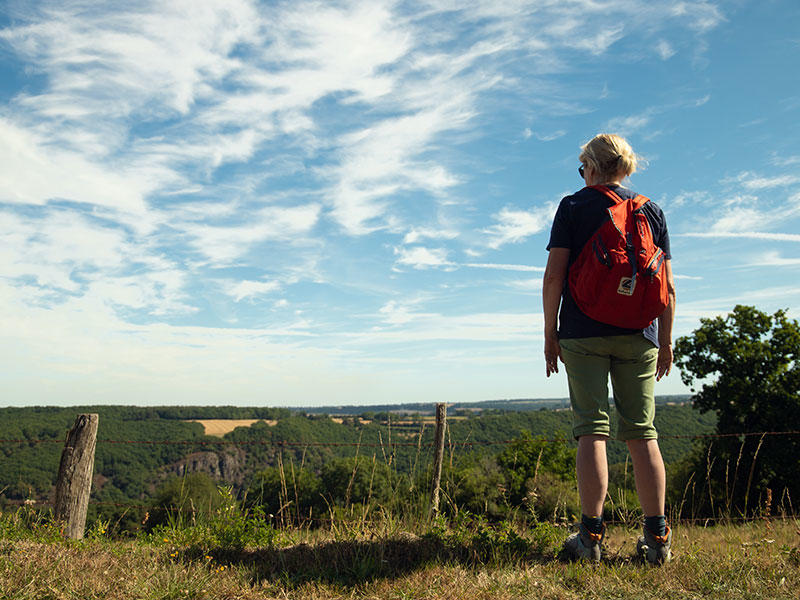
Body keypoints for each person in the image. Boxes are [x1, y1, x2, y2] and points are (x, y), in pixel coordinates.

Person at [542, 133, 676, 564]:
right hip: (640, 332)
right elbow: (668, 286)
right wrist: (666, 341)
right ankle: (657, 542)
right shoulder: (650, 210)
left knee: (591, 430)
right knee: (642, 433)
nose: (582, 176)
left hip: (582, 332)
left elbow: (553, 278)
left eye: (583, 169)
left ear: (593, 168)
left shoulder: (573, 206)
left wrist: (550, 332)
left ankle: (590, 540)